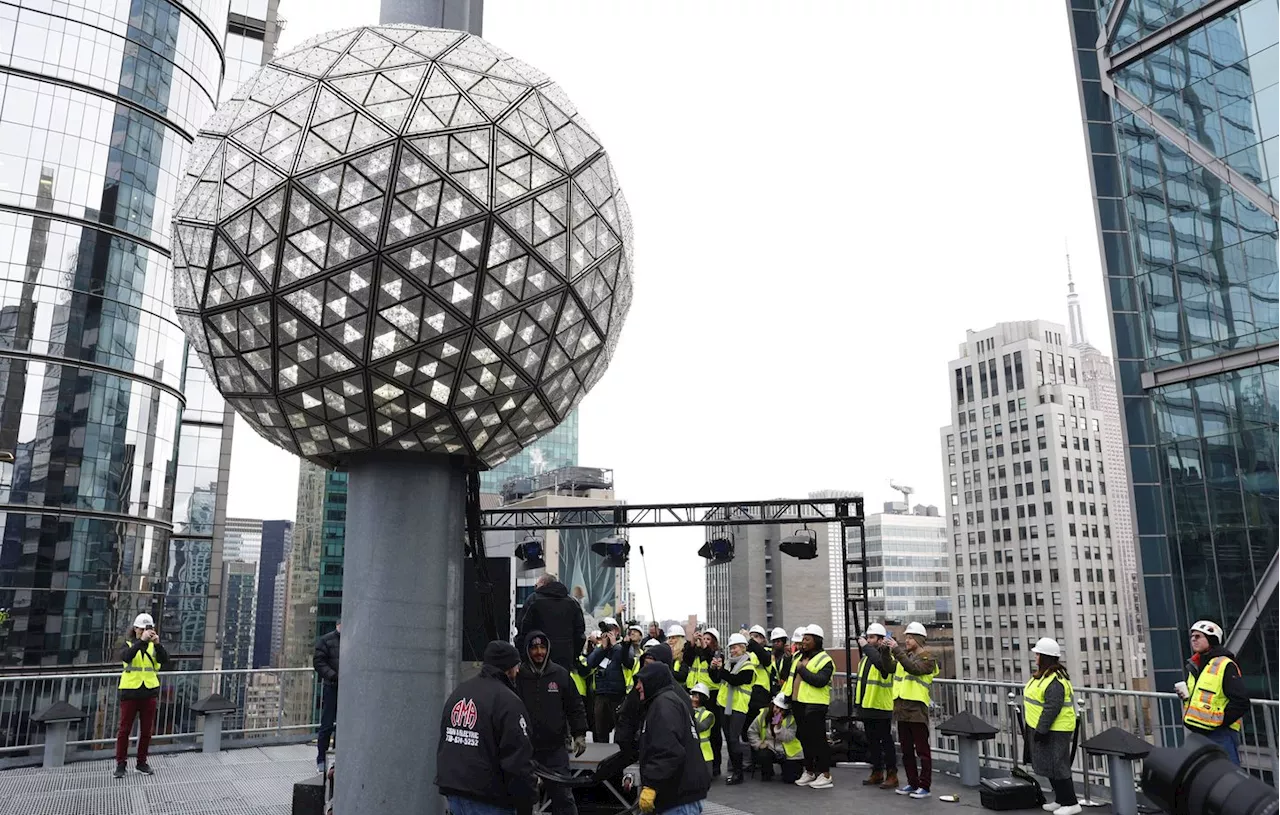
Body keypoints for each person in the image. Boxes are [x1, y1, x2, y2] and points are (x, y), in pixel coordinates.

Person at [436, 641, 537, 815]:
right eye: (516, 666)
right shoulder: (508, 702)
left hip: (455, 795)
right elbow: (518, 761)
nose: (518, 671)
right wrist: (527, 801)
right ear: (508, 668)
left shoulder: (459, 693)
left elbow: (446, 741)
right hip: (490, 799)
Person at [515, 631, 588, 815]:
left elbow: (575, 706)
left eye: (542, 647)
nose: (539, 652)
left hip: (555, 751)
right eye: (534, 648)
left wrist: (580, 734)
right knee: (521, 798)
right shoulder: (519, 676)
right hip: (525, 750)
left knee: (563, 798)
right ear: (527, 650)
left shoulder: (560, 674)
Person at [634, 661, 712, 815]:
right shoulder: (667, 701)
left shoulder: (663, 705)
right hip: (680, 796)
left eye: (641, 681)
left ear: (652, 681)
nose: (637, 686)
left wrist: (651, 785)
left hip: (678, 800)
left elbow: (668, 750)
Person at [1178, 619, 1250, 765]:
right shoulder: (1195, 665)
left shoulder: (1225, 664)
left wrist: (1219, 721)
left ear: (1211, 639)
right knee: (1206, 776)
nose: (1193, 639)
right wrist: (1186, 697)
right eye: (1192, 636)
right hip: (1199, 731)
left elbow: (1241, 702)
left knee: (1228, 776)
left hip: (1221, 733)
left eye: (1198, 636)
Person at [1024, 638, 1081, 815]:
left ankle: (1071, 802)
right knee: (1049, 765)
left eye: (1038, 654)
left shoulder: (1054, 681)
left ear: (1046, 657)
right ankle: (1061, 800)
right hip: (1043, 727)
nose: (1035, 657)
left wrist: (1041, 729)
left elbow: (1052, 708)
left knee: (1058, 765)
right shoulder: (1045, 676)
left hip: (1055, 729)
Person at [114, 613, 169, 778]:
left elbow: (164, 660)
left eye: (148, 628)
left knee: (146, 730)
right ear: (136, 629)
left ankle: (141, 762)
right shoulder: (128, 644)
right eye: (142, 628)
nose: (145, 631)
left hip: (149, 691)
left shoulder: (153, 647)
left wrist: (158, 644)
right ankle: (121, 764)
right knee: (124, 730)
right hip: (130, 691)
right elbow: (126, 657)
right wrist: (141, 641)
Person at [889, 622, 938, 799]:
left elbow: (914, 669)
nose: (906, 640)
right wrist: (884, 651)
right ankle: (912, 783)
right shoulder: (905, 656)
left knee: (922, 750)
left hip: (917, 709)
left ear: (918, 639)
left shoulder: (927, 658)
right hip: (902, 708)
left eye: (910, 637)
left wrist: (896, 651)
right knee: (906, 749)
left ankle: (925, 786)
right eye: (906, 637)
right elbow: (889, 667)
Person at [708, 633, 758, 785]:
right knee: (730, 740)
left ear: (743, 648)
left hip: (738, 707)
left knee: (733, 739)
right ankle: (736, 771)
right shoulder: (729, 663)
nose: (732, 650)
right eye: (731, 648)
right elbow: (717, 680)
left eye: (735, 647)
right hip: (724, 706)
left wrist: (721, 669)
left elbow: (735, 680)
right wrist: (713, 669)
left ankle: (738, 772)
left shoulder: (748, 666)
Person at [787, 624, 833, 789]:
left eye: (807, 639)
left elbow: (820, 681)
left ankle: (825, 774)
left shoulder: (825, 660)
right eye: (803, 639)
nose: (803, 642)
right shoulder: (798, 657)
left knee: (818, 740)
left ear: (816, 641)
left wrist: (802, 670)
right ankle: (810, 771)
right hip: (799, 702)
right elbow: (791, 678)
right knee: (804, 739)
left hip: (815, 705)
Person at [853, 622, 897, 789]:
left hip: (881, 707)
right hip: (868, 706)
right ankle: (877, 771)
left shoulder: (887, 657)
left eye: (872, 637)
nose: (868, 640)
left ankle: (892, 774)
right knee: (872, 742)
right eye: (867, 637)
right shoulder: (865, 659)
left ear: (880, 640)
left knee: (886, 741)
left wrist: (865, 647)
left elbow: (881, 665)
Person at [518, 573, 586, 671]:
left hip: (537, 659)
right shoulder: (572, 603)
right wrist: (573, 655)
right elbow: (580, 634)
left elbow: (522, 629)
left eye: (536, 586)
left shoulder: (534, 600)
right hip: (565, 659)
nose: (535, 588)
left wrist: (524, 655)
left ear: (543, 584)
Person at [585, 617, 633, 742]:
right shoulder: (601, 648)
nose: (606, 633)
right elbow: (590, 663)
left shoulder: (624, 646)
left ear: (617, 631)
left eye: (610, 629)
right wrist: (602, 648)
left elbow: (629, 662)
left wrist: (615, 645)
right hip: (600, 693)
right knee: (600, 729)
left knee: (620, 728)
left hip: (618, 694)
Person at [746, 693, 804, 783]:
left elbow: (789, 737)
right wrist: (759, 744)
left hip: (788, 753)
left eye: (781, 710)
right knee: (764, 755)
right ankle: (767, 772)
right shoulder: (763, 715)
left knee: (790, 779)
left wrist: (779, 727)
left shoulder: (791, 719)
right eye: (776, 707)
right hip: (770, 748)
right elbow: (751, 731)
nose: (777, 711)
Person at [694, 628, 725, 776]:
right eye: (703, 638)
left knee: (714, 733)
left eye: (708, 639)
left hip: (712, 695)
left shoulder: (716, 655)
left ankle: (715, 764)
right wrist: (694, 643)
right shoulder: (699, 654)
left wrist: (705, 650)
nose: (704, 641)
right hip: (698, 694)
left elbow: (715, 677)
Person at [313, 621, 341, 773]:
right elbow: (318, 662)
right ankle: (321, 759)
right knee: (327, 725)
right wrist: (334, 676)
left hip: (346, 689)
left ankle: (337, 760)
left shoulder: (351, 640)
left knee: (343, 726)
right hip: (332, 687)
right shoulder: (326, 640)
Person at [743, 626, 774, 755]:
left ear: (762, 639)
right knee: (748, 730)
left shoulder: (766, 651)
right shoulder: (747, 653)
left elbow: (765, 659)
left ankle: (763, 758)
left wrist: (750, 642)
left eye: (756, 636)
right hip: (747, 694)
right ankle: (751, 758)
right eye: (751, 636)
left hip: (761, 695)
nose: (753, 639)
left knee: (761, 728)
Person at [690, 683, 716, 774]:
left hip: (705, 754)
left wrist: (690, 715)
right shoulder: (688, 712)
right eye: (693, 695)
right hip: (691, 751)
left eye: (696, 696)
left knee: (706, 778)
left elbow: (701, 727)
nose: (693, 698)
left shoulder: (708, 715)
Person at [767, 628, 792, 694]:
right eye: (774, 641)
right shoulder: (770, 655)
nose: (776, 643)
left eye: (778, 641)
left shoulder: (788, 656)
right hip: (772, 689)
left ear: (784, 642)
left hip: (785, 690)